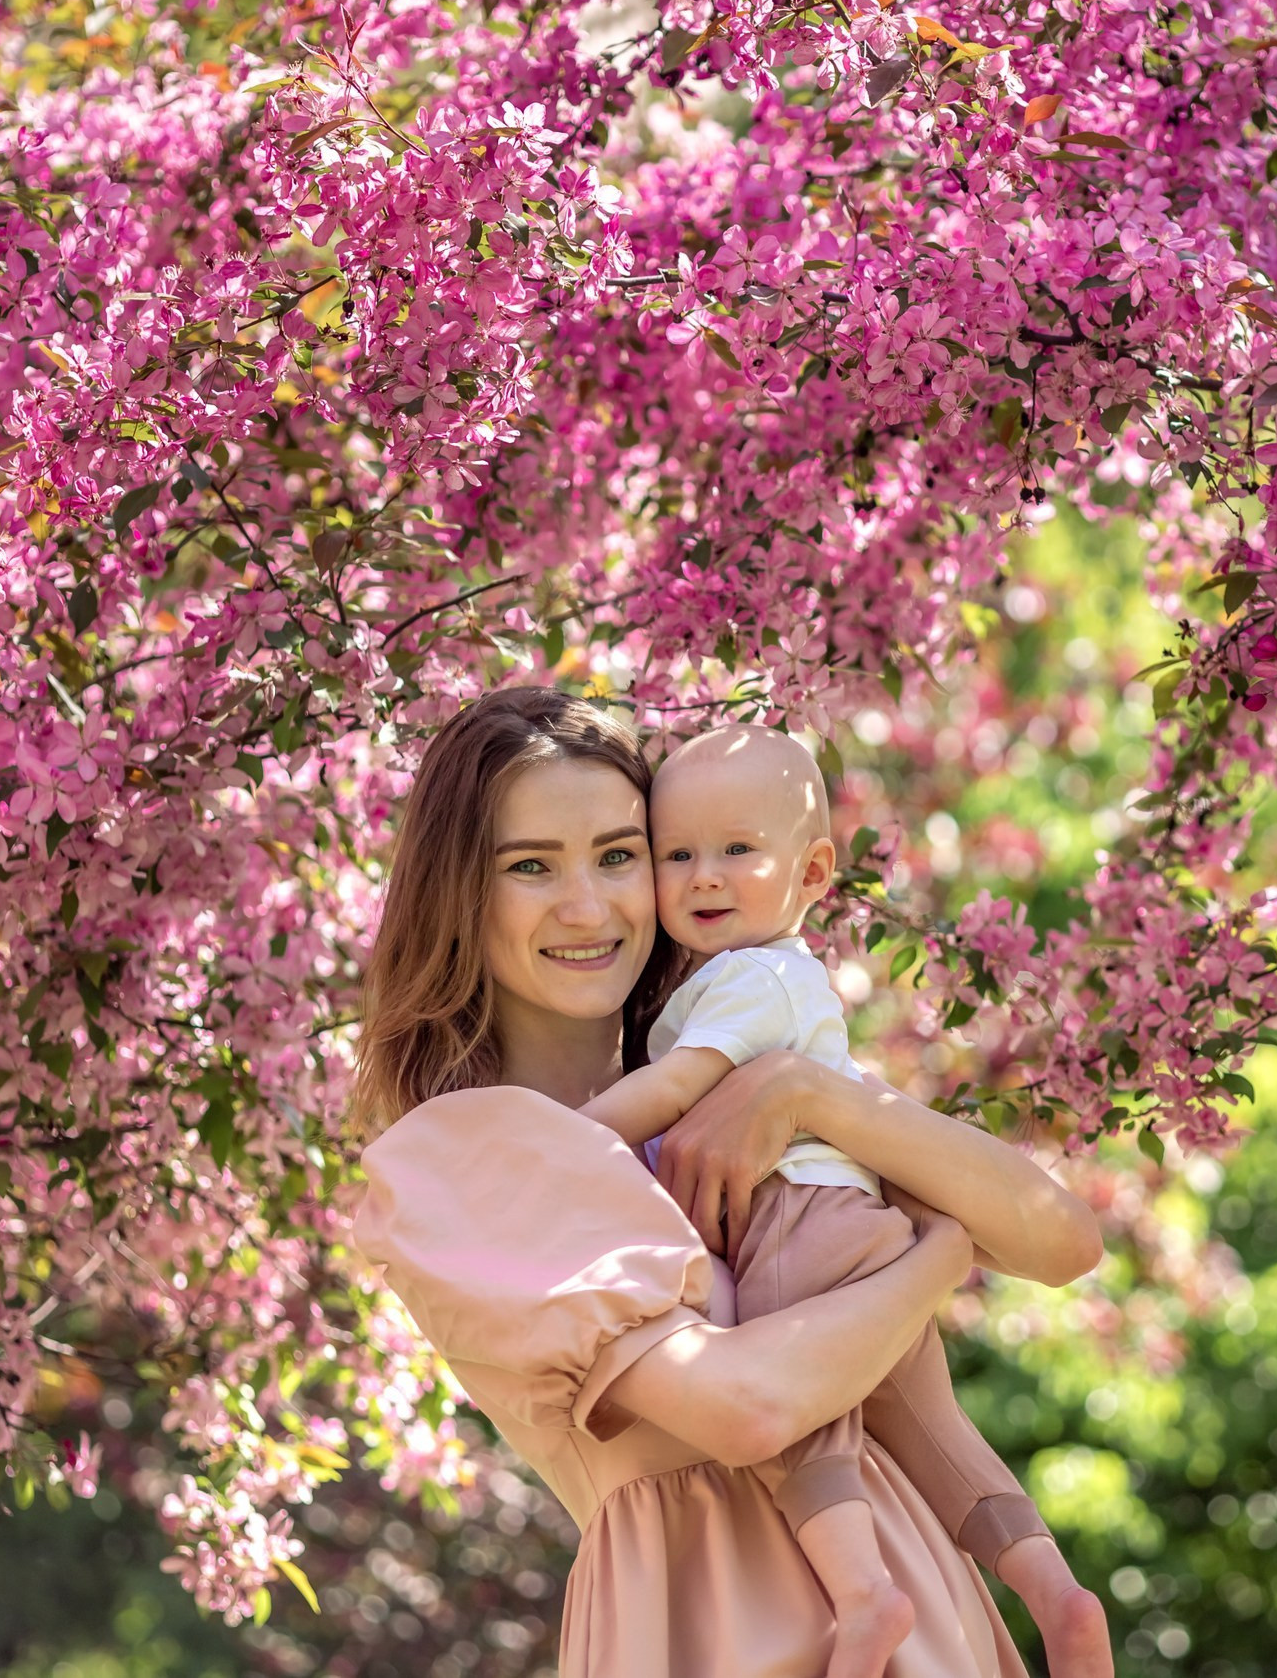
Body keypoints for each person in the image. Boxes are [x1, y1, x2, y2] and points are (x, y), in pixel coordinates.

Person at [349, 688, 1107, 1678]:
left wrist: (812, 1096)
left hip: (921, 1615)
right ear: (460, 895)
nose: (590, 906)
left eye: (619, 855)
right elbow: (746, 1408)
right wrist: (942, 1255)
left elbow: (1060, 1243)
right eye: (531, 867)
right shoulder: (467, 1152)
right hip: (719, 1630)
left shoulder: (749, 1072)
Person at [571, 723, 1109, 1678]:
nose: (702, 876)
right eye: (676, 853)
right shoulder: (778, 980)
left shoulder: (749, 976)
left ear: (815, 871)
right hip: (864, 1230)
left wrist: (570, 1131)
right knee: (941, 1439)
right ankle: (1059, 1597)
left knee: (812, 1422)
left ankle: (865, 1598)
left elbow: (670, 1089)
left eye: (738, 849)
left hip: (797, 1224)